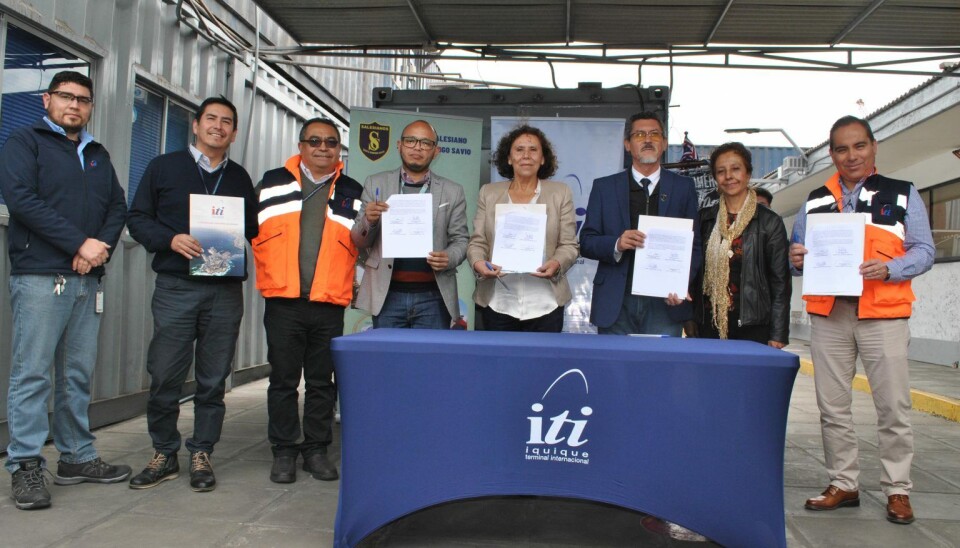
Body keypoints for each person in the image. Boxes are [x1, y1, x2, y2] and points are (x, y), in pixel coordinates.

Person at [790, 116, 934, 525]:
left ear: (873, 147)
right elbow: (799, 259)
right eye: (841, 148)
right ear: (831, 154)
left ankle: (898, 489)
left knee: (893, 407)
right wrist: (796, 259)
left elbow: (924, 250)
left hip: (883, 315)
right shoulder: (815, 200)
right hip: (831, 316)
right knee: (832, 408)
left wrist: (891, 269)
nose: (851, 155)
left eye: (859, 146)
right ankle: (843, 483)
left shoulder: (902, 194)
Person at [0, 70, 129, 510]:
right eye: (65, 97)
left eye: (83, 100)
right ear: (46, 100)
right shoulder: (25, 142)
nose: (74, 105)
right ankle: (25, 464)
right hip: (41, 277)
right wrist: (78, 243)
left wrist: (96, 252)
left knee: (76, 374)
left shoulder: (96, 153)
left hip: (87, 278)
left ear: (91, 107)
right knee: (33, 373)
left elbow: (117, 207)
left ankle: (76, 456)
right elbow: (21, 199)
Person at [126, 97, 258, 492]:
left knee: (213, 378)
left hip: (224, 291)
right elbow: (137, 219)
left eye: (227, 122)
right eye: (212, 119)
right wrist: (170, 239)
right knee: (165, 373)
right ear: (196, 125)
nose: (219, 127)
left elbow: (252, 228)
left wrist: (239, 231)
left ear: (234, 133)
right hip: (176, 287)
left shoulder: (239, 177)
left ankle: (201, 452)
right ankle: (164, 452)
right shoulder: (163, 167)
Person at [253, 117, 362, 484]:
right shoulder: (271, 183)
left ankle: (316, 450)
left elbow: (364, 244)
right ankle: (283, 451)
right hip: (284, 300)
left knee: (321, 382)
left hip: (328, 302)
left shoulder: (351, 189)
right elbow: (244, 230)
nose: (322, 148)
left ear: (338, 150)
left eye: (331, 142)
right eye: (314, 141)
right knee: (283, 380)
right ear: (301, 146)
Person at [579, 112, 701, 336]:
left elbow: (694, 245)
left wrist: (681, 283)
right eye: (640, 134)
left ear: (664, 143)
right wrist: (617, 243)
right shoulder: (604, 188)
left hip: (665, 300)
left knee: (659, 368)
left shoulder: (683, 188)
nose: (647, 139)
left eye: (655, 134)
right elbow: (586, 241)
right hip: (617, 299)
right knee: (614, 368)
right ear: (627, 144)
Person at [351, 120, 468, 328]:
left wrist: (449, 257)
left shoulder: (453, 191)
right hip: (387, 294)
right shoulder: (375, 183)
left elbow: (461, 240)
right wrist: (369, 220)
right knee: (388, 359)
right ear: (399, 145)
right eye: (411, 141)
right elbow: (359, 240)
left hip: (433, 295)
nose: (417, 147)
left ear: (436, 151)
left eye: (425, 143)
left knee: (430, 359)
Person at [467, 125, 579, 332]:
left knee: (542, 365)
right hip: (498, 302)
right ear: (509, 158)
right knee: (499, 365)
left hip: (545, 303)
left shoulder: (560, 193)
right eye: (519, 150)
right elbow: (477, 241)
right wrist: (478, 263)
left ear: (543, 158)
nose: (526, 155)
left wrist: (556, 262)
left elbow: (569, 245)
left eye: (533, 149)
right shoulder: (489, 193)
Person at [695, 142, 790, 347]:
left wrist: (778, 333)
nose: (728, 176)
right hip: (709, 326)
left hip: (754, 327)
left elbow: (780, 282)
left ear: (748, 173)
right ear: (715, 179)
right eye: (721, 171)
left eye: (736, 169)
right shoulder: (705, 219)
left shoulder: (769, 222)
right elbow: (694, 273)